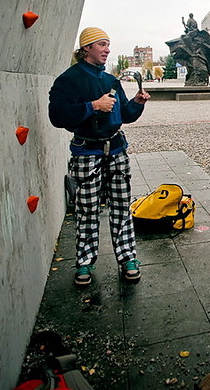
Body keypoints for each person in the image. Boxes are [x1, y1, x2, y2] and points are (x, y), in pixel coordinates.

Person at [48, 27, 151, 287]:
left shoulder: (111, 80)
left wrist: (137, 103)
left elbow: (124, 115)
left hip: (116, 151)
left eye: (108, 44)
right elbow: (57, 116)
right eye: (102, 44)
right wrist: (92, 106)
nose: (107, 49)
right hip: (86, 153)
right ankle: (84, 262)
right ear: (86, 48)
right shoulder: (67, 80)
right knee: (87, 210)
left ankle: (128, 258)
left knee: (121, 208)